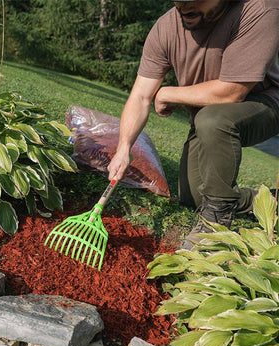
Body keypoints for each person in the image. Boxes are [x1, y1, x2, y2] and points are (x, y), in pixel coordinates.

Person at [107, 0, 279, 249]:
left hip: (268, 103)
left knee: (212, 120)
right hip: (207, 115)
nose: (185, 5)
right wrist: (124, 149)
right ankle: (268, 202)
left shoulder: (258, 10)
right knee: (194, 195)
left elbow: (232, 93)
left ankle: (215, 224)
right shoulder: (166, 28)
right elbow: (141, 96)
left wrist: (167, 93)